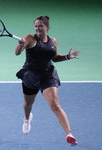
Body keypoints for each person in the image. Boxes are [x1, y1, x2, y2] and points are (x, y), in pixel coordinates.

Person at [15, 16, 80, 146]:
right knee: (28, 104)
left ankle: (69, 134)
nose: (38, 28)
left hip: (47, 75)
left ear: (47, 27)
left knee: (55, 105)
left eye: (40, 26)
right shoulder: (30, 38)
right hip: (31, 76)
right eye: (36, 26)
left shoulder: (53, 41)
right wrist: (21, 44)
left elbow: (54, 58)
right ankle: (27, 118)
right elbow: (17, 53)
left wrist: (67, 57)